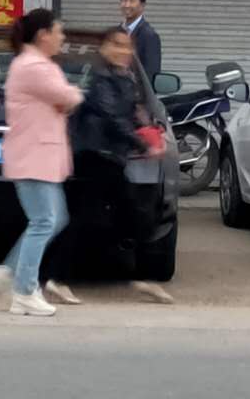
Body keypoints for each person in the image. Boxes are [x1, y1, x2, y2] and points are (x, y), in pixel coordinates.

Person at [46, 27, 173, 306]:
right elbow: (112, 117)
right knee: (88, 218)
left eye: (127, 46)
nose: (122, 51)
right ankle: (58, 279)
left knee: (131, 217)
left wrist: (148, 130)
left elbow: (130, 114)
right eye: (116, 45)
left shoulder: (125, 78)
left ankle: (142, 278)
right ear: (104, 49)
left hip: (111, 158)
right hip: (94, 156)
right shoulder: (101, 79)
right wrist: (144, 146)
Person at [0, 8, 83, 317]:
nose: (62, 38)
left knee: (54, 219)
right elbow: (69, 97)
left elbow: (61, 99)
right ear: (43, 35)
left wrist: (64, 99)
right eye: (58, 32)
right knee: (44, 222)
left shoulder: (34, 65)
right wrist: (71, 95)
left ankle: (9, 273)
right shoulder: (34, 66)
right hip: (34, 157)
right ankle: (24, 290)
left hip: (40, 157)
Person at [120, 0, 162, 78]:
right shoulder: (116, 32)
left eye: (132, 1)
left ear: (142, 5)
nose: (127, 5)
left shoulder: (149, 35)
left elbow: (151, 74)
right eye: (124, 0)